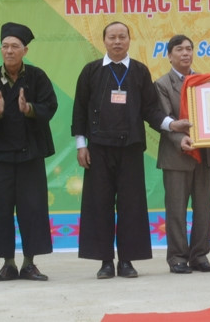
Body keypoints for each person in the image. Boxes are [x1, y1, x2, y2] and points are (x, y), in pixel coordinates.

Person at [71, 21, 190, 279]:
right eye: (112, 37)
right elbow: (79, 110)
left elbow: (151, 110)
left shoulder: (139, 71)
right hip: (98, 149)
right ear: (104, 40)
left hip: (131, 149)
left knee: (131, 205)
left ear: (129, 40)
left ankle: (126, 261)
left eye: (122, 37)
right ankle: (105, 262)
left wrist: (172, 124)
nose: (117, 41)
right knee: (99, 204)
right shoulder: (91, 71)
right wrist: (81, 145)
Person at [0, 22, 57, 282]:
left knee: (33, 208)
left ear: (25, 50)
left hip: (31, 154)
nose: (9, 51)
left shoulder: (37, 77)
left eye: (15, 47)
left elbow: (50, 105)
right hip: (1, 156)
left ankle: (29, 264)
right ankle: (8, 264)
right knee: (0, 209)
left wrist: (29, 108)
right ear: (1, 50)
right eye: (5, 46)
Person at [154, 34, 210, 274]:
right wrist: (180, 140)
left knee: (203, 209)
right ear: (169, 56)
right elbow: (164, 119)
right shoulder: (161, 84)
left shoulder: (205, 82)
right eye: (179, 49)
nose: (185, 53)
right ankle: (177, 257)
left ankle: (199, 256)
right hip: (176, 156)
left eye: (189, 49)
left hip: (203, 155)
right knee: (176, 210)